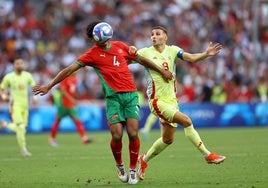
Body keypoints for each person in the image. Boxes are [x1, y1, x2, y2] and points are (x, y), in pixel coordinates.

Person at [32, 21, 173, 185]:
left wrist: (162, 70)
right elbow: (70, 69)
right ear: (94, 39)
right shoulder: (92, 54)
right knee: (117, 135)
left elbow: (142, 60)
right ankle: (120, 166)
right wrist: (49, 85)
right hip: (113, 99)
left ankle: (133, 169)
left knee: (133, 133)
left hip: (130, 96)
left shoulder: (120, 46)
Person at [136, 26, 226, 181]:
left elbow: (190, 58)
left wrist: (206, 54)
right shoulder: (145, 52)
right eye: (152, 34)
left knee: (167, 140)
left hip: (172, 100)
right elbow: (128, 59)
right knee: (187, 121)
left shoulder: (173, 50)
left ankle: (143, 160)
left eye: (158, 34)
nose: (154, 36)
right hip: (157, 101)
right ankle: (207, 155)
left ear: (165, 37)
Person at [0, 57, 37, 157]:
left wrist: (34, 97)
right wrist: (4, 96)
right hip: (14, 105)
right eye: (17, 63)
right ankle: (23, 150)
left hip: (25, 105)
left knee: (22, 128)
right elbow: (1, 88)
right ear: (14, 65)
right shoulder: (9, 77)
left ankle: (5, 124)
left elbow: (34, 86)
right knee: (20, 127)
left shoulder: (27, 76)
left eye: (21, 63)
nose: (20, 65)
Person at [48, 73, 92, 147]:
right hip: (63, 104)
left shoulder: (75, 79)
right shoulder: (65, 78)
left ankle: (84, 138)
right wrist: (72, 99)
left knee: (77, 120)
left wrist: (74, 98)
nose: (76, 71)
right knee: (58, 120)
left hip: (70, 105)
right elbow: (62, 91)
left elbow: (73, 91)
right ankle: (51, 139)